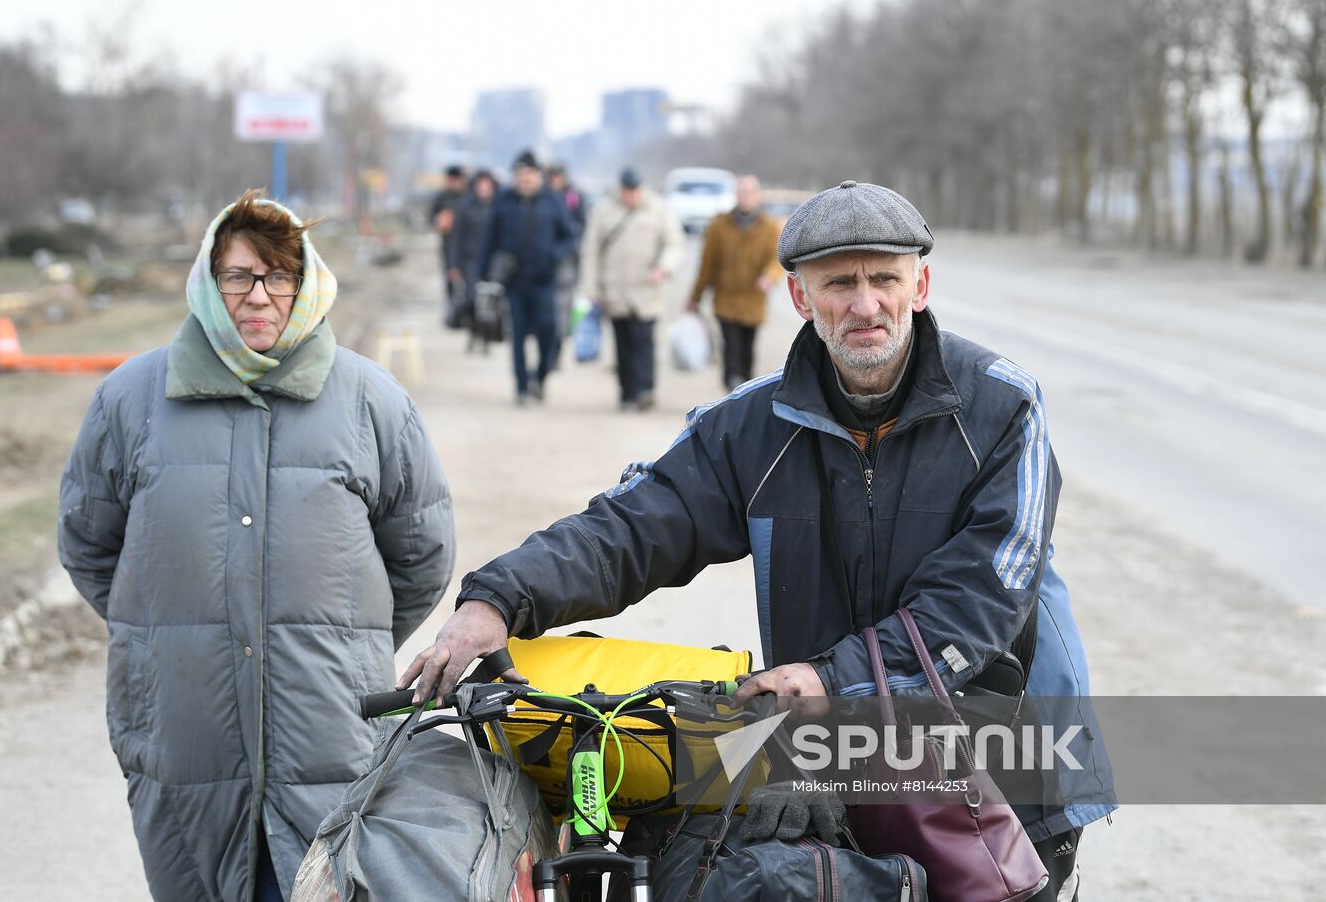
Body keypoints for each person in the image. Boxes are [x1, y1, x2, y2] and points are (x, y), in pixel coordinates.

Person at [403, 181, 1115, 901]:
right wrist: (499, 597)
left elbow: (980, 600)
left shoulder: (1002, 406)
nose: (864, 305)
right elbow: (634, 525)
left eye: (884, 279)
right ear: (802, 297)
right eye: (840, 283)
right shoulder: (749, 426)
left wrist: (831, 680)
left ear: (920, 284)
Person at [59, 190, 456, 902]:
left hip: (327, 726)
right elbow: (89, 543)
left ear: (307, 287)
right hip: (184, 728)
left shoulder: (371, 400)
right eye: (239, 276)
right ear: (209, 285)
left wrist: (341, 640)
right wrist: (164, 632)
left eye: (280, 276)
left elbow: (421, 552)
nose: (259, 296)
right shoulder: (131, 398)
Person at [579, 167, 684, 411]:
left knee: (644, 342)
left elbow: (674, 243)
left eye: (634, 191)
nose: (631, 196)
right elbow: (590, 251)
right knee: (623, 344)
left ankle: (645, 391)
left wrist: (664, 267)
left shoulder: (658, 209)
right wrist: (591, 289)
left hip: (647, 291)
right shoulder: (604, 210)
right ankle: (627, 393)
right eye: (627, 191)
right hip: (614, 292)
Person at [479, 149, 579, 404]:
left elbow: (570, 235)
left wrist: (554, 255)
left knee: (549, 330)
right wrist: (483, 276)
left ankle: (541, 376)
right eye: (520, 174)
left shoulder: (553, 201)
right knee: (518, 337)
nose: (525, 179)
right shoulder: (504, 201)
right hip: (514, 282)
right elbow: (489, 241)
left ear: (538, 176)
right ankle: (522, 387)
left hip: (545, 280)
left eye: (530, 174)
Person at [688, 174, 785, 390]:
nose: (745, 197)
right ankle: (732, 388)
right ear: (735, 194)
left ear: (757, 196)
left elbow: (776, 259)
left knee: (747, 350)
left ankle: (745, 389)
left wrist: (769, 277)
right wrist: (695, 297)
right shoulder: (719, 225)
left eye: (750, 192)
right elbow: (706, 265)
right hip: (726, 300)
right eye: (741, 192)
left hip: (753, 301)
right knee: (731, 347)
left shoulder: (769, 227)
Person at [448, 169, 500, 345]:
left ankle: (488, 334)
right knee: (471, 298)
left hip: (492, 261)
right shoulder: (466, 207)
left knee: (491, 301)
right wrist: (454, 265)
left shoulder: (499, 207)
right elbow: (456, 237)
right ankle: (474, 330)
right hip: (470, 260)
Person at [546, 163, 588, 356]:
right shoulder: (542, 198)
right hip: (544, 261)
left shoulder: (574, 197)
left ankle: (557, 347)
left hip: (567, 260)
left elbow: (581, 226)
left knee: (563, 305)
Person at [430, 164, 467, 322]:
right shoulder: (442, 198)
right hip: (447, 244)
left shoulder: (468, 197)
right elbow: (432, 217)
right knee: (450, 279)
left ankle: (465, 311)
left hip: (466, 246)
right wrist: (439, 221)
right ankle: (453, 312)